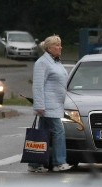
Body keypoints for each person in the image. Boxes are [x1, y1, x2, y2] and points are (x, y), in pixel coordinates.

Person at [30, 35, 71, 173]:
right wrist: (39, 105)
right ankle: (59, 162)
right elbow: (38, 85)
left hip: (55, 105)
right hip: (48, 105)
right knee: (59, 131)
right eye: (57, 45)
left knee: (43, 134)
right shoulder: (42, 63)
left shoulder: (56, 62)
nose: (60, 48)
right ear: (48, 48)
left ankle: (35, 163)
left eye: (60, 45)